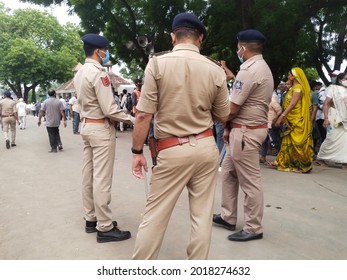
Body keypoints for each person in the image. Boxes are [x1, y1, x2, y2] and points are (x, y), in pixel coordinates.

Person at [131, 12, 230, 259]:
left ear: (173, 36)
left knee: (155, 216)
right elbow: (223, 115)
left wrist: (136, 152)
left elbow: (143, 115)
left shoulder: (157, 63)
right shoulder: (215, 70)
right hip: (207, 147)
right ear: (201, 38)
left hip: (171, 149)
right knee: (201, 217)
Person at [213, 29, 273, 242]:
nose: (237, 50)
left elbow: (232, 108)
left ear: (243, 48)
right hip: (241, 130)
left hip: (246, 133)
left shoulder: (249, 70)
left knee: (250, 182)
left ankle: (253, 227)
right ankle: (228, 217)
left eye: (238, 47)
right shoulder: (262, 68)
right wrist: (228, 128)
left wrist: (211, 115)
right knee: (228, 172)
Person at [74, 33, 134, 243]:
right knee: (102, 178)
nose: (107, 53)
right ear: (99, 51)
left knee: (88, 175)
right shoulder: (100, 74)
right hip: (101, 129)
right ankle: (105, 227)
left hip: (86, 126)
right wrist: (133, 120)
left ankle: (91, 219)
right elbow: (110, 109)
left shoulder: (80, 73)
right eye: (106, 50)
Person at [275, 67, 314, 173]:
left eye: (289, 74)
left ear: (294, 76)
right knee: (288, 143)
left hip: (297, 121)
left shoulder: (298, 88)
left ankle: (304, 166)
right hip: (290, 120)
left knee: (298, 144)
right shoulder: (293, 88)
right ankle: (284, 162)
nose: (288, 76)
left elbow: (292, 104)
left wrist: (282, 116)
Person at [316, 72, 347, 169]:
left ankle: (344, 162)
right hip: (334, 117)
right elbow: (326, 103)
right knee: (331, 139)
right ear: (340, 80)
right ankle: (320, 158)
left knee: (345, 141)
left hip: (345, 119)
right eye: (346, 78)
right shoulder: (333, 89)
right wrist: (326, 118)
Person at [259, 96, 282, 163]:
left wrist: (276, 118)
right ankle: (263, 157)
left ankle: (280, 158)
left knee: (274, 142)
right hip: (264, 124)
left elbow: (280, 111)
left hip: (271, 125)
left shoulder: (273, 101)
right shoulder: (262, 102)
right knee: (264, 142)